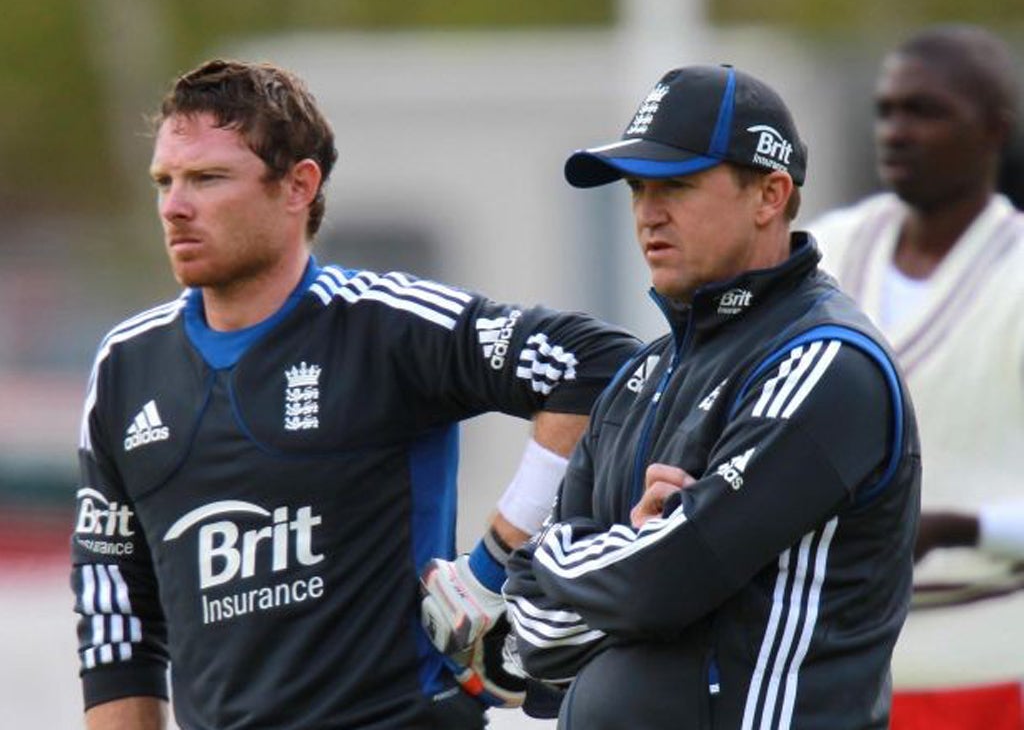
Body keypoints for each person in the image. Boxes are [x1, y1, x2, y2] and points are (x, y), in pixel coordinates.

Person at [70, 58, 641, 730]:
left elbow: (599, 363)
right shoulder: (126, 369)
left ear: (297, 186)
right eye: (165, 182)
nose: (175, 206)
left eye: (208, 179)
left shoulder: (385, 326)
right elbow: (115, 618)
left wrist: (497, 560)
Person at [502, 64, 922, 729]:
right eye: (638, 188)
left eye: (677, 185)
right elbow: (533, 636)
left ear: (770, 194)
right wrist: (630, 551)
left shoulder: (825, 362)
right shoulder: (638, 379)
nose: (647, 214)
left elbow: (660, 582)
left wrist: (569, 556)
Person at [809, 24, 1024, 729]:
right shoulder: (826, 252)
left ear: (995, 130)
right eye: (886, 110)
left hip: (990, 669)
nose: (896, 131)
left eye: (926, 112)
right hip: (830, 668)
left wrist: (963, 528)